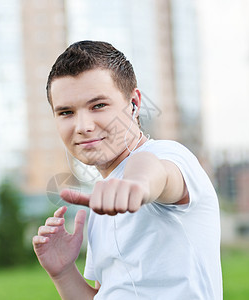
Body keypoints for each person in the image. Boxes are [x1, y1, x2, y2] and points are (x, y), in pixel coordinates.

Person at [32, 40, 222, 299]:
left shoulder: (167, 156)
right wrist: (63, 272)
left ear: (134, 103)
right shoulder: (105, 198)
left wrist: (138, 186)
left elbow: (154, 173)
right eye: (66, 112)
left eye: (98, 105)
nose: (83, 126)